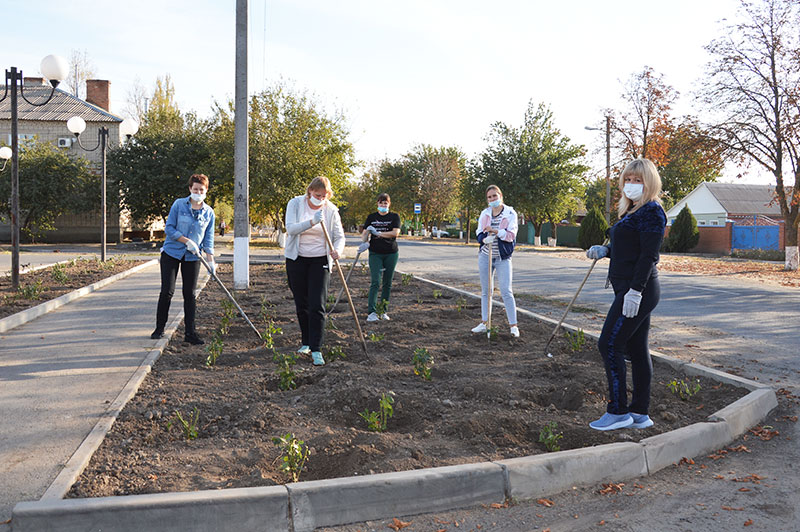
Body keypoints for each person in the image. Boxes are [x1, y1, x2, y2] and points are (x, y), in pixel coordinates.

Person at [586, 158, 667, 431]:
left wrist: (635, 292)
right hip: (627, 287)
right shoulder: (631, 211)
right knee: (636, 349)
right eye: (628, 180)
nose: (631, 185)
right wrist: (605, 250)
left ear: (649, 182)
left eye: (638, 180)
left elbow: (648, 256)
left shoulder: (652, 212)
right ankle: (640, 413)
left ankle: (618, 411)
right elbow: (628, 247)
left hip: (639, 289)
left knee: (608, 344)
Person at [284, 176, 346, 366]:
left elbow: (339, 236)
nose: (320, 199)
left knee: (317, 304)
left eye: (324, 196)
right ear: (310, 191)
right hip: (297, 259)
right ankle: (306, 342)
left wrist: (338, 250)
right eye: (317, 195)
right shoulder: (295, 204)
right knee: (301, 303)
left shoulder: (331, 210)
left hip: (320, 260)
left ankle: (317, 348)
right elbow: (291, 229)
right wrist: (311, 222)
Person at [151, 174, 216, 345]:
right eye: (195, 189)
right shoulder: (179, 205)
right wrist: (186, 241)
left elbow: (208, 239)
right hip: (172, 253)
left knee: (190, 294)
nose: (198, 192)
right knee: (167, 291)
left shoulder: (209, 213)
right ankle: (159, 329)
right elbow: (169, 228)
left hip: (192, 257)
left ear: (206, 191)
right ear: (190, 189)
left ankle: (190, 333)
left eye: (201, 190)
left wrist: (211, 261)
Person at [471, 185, 519, 338]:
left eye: (494, 196)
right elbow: (479, 231)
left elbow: (511, 235)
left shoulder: (510, 213)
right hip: (486, 256)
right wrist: (483, 239)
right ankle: (485, 323)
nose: (492, 199)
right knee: (486, 291)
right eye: (489, 197)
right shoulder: (485, 213)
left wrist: (496, 232)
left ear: (500, 195)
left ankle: (513, 326)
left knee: (506, 291)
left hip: (503, 257)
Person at [359, 193, 401, 322]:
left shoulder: (394, 217)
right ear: (377, 203)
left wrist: (380, 233)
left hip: (391, 252)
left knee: (387, 283)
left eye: (386, 203)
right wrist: (366, 235)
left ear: (389, 204)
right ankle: (372, 312)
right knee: (375, 281)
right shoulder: (371, 217)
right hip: (375, 253)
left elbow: (395, 233)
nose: (383, 205)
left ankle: (383, 310)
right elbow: (364, 236)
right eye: (381, 203)